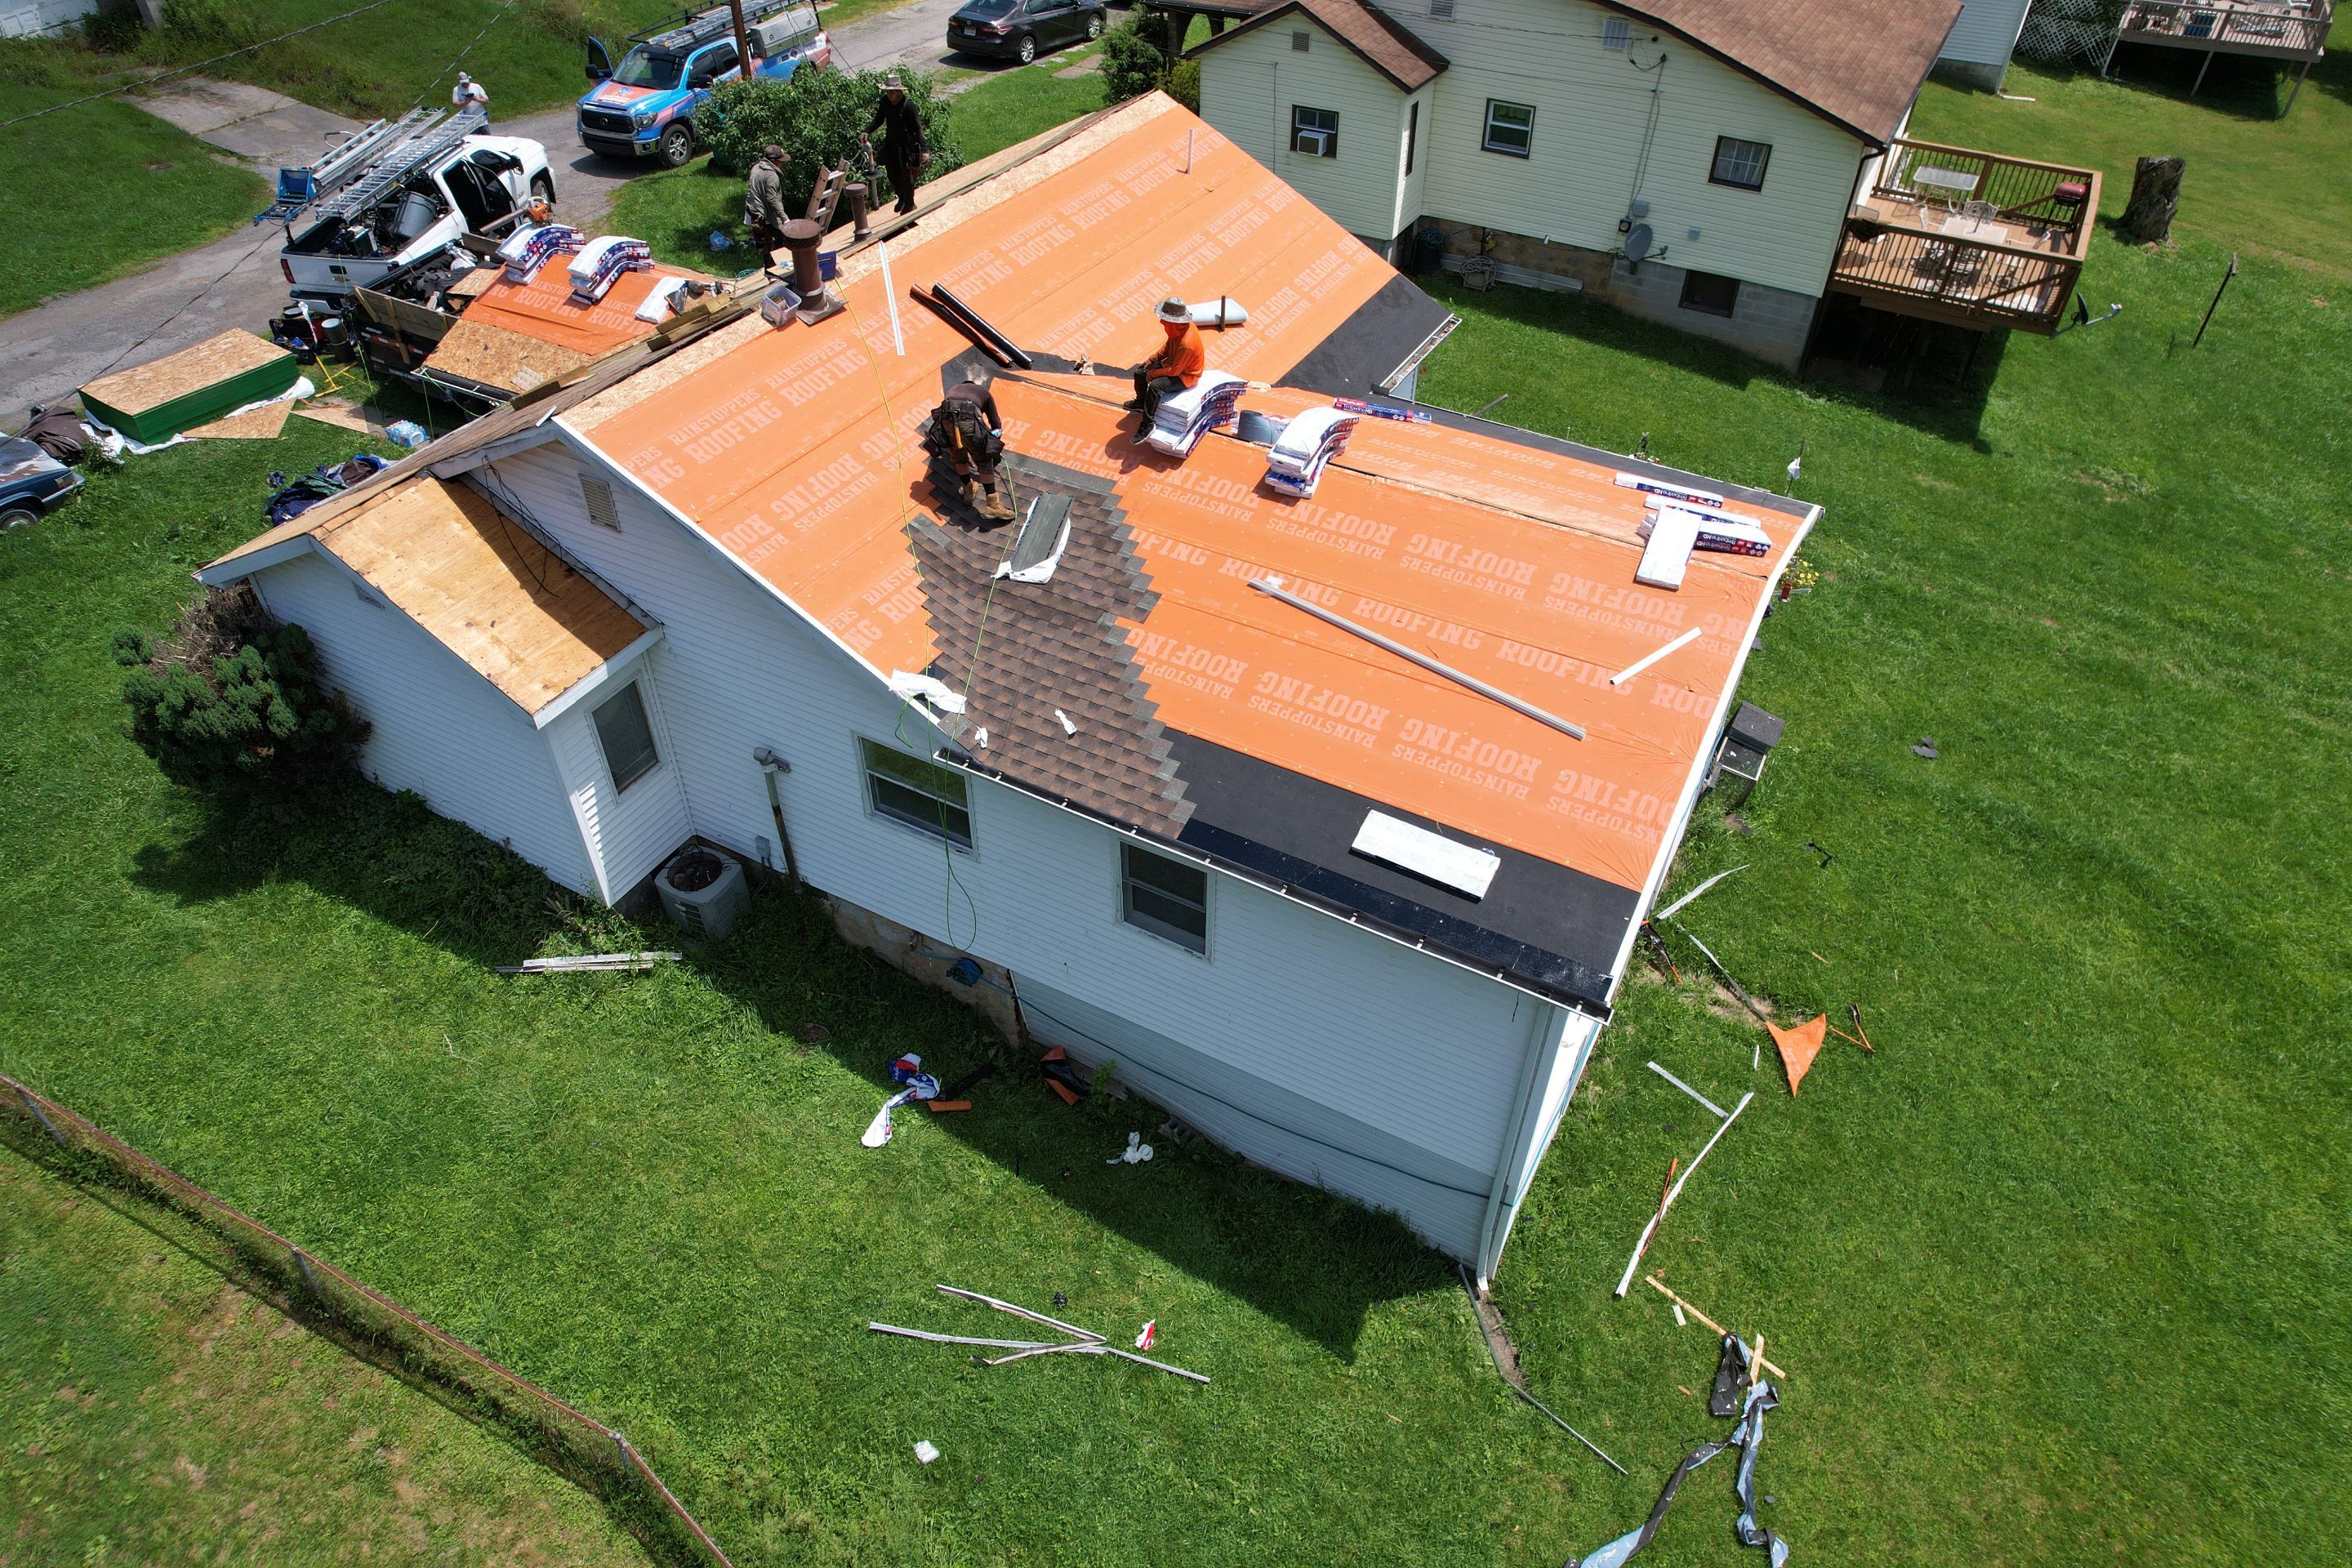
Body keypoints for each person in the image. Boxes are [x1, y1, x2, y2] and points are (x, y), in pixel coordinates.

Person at [929, 379, 1014, 520]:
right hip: (966, 418)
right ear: (975, 385)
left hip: (946, 417)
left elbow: (957, 431)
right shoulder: (984, 393)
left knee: (958, 454)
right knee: (983, 459)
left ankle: (968, 491)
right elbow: (996, 425)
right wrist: (993, 450)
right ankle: (993, 506)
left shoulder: (954, 388)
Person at [1129, 296, 1205, 434]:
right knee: (1139, 373)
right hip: (1173, 364)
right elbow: (1168, 345)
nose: (1161, 321)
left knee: (1155, 386)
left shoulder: (1187, 344)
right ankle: (1140, 402)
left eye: (1164, 320)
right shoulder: (1177, 331)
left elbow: (1175, 371)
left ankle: (1147, 424)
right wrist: (1152, 360)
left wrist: (1152, 374)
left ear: (1173, 322)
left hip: (1186, 376)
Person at [861, 74, 927, 216]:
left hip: (906, 147)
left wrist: (924, 150)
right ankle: (902, 199)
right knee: (892, 175)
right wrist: (867, 131)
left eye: (892, 92)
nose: (889, 95)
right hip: (891, 144)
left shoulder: (909, 106)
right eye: (888, 92)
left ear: (899, 91)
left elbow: (917, 128)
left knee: (906, 175)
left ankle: (910, 203)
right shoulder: (885, 102)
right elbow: (879, 119)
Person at [744, 144, 791, 258]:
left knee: (764, 243)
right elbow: (772, 199)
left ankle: (768, 263)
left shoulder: (757, 166)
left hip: (753, 211)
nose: (782, 164)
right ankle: (775, 268)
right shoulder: (771, 175)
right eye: (780, 161)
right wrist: (784, 218)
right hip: (763, 215)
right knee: (777, 243)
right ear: (774, 161)